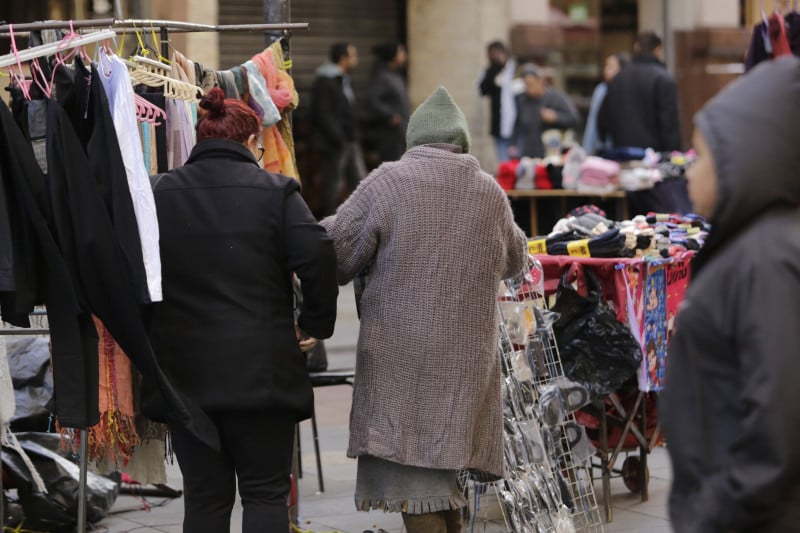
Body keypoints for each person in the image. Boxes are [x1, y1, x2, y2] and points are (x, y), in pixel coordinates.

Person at [321, 86, 527, 533]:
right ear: (461, 141)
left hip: (402, 361)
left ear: (413, 139)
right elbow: (517, 260)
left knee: (416, 486)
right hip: (467, 364)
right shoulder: (489, 192)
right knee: (441, 479)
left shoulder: (388, 182)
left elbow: (336, 251)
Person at [145, 87, 339, 533]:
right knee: (265, 493)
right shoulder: (276, 192)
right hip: (261, 373)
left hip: (184, 373)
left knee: (205, 499)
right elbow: (318, 253)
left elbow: (134, 271)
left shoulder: (159, 193)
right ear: (253, 141)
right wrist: (313, 324)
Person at [660, 56, 800, 533]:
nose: (689, 171)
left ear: (743, 159)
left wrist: (713, 513)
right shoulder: (756, 246)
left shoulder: (766, 259)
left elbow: (778, 416)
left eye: (702, 155)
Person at [598, 31, 689, 215]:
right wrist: (673, 162)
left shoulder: (617, 80)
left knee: (626, 224)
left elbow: (603, 123)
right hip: (654, 172)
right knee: (656, 225)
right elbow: (669, 127)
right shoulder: (663, 78)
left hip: (622, 168)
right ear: (658, 50)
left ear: (636, 47)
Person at [310, 42, 367, 216]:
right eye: (353, 56)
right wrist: (338, 137)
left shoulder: (343, 79)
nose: (356, 60)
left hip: (350, 140)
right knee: (334, 184)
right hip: (335, 143)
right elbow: (323, 113)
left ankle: (364, 219)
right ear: (343, 58)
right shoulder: (326, 81)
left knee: (361, 182)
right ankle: (331, 222)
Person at [510, 63, 579, 159]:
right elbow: (517, 124)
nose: (528, 88)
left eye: (531, 84)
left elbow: (574, 119)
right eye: (526, 84)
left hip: (553, 153)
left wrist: (556, 117)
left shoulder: (556, 98)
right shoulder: (521, 100)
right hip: (529, 152)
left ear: (540, 81)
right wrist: (513, 144)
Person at [367, 42, 410, 163]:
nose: (404, 55)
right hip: (389, 133)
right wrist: (389, 114)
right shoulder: (381, 76)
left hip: (400, 132)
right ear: (393, 55)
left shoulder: (395, 75)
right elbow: (372, 100)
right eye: (401, 52)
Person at [582, 52, 630, 155]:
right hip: (604, 147)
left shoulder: (628, 90)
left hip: (624, 148)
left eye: (610, 66)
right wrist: (587, 150)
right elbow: (592, 122)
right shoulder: (601, 90)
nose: (606, 70)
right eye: (606, 66)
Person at [479, 40, 517, 163]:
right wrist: (495, 69)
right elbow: (483, 90)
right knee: (504, 161)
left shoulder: (514, 69)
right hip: (499, 123)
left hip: (517, 124)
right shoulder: (491, 71)